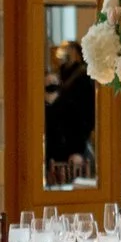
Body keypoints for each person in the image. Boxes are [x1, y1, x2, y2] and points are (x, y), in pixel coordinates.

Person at [44, 39, 95, 184]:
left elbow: (84, 117)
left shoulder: (82, 78)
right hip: (57, 141)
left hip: (74, 142)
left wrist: (78, 148)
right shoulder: (64, 75)